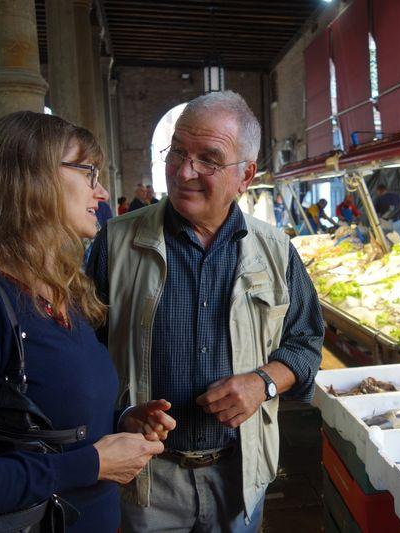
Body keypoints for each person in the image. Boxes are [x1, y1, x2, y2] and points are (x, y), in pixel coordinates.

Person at [0, 111, 174, 531]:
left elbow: (31, 418)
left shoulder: (61, 288)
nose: (101, 191)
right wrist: (91, 463)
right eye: (89, 173)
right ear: (31, 180)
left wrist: (120, 422)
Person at [87, 91, 324, 532]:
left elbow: (306, 343)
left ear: (246, 175)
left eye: (208, 159)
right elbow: (83, 354)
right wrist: (122, 414)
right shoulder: (114, 244)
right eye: (177, 151)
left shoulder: (274, 250)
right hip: (147, 475)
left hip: (239, 473)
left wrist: (264, 383)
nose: (183, 171)